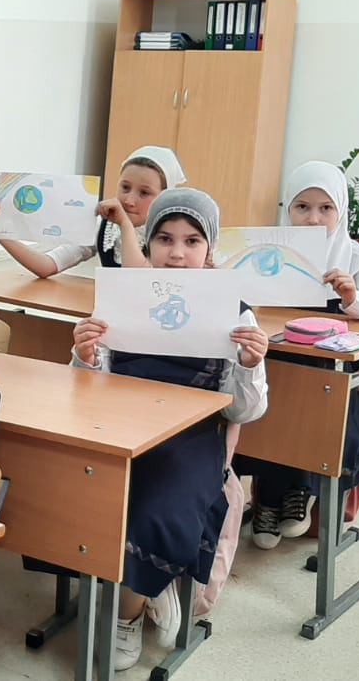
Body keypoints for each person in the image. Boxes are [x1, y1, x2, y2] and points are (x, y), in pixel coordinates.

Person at [69, 188, 268, 670]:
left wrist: (249, 364)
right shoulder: (122, 298)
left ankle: (129, 609)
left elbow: (244, 412)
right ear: (147, 244)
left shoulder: (234, 310)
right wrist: (84, 355)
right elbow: (85, 391)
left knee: (158, 506)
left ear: (210, 249)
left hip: (192, 438)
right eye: (164, 239)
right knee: (79, 488)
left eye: (192, 241)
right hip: (120, 426)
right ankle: (149, 581)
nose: (177, 253)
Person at [236, 161, 359, 549]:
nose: (313, 218)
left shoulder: (354, 258)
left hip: (328, 377)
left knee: (314, 404)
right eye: (302, 207)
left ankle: (298, 489)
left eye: (325, 208)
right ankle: (270, 496)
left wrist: (354, 298)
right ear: (287, 209)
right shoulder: (267, 252)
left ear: (341, 211)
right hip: (272, 367)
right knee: (266, 401)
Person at [0, 146, 187, 275]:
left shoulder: (174, 238)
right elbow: (47, 266)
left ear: (165, 196)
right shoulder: (105, 229)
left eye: (144, 193)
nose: (129, 200)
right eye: (125, 187)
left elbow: (138, 281)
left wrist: (125, 225)